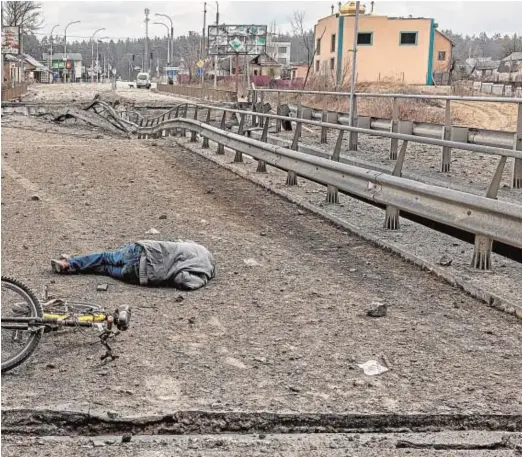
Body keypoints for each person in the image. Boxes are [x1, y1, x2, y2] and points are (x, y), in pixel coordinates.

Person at [51, 240, 216, 290]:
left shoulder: (196, 247)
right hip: (141, 274)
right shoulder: (204, 271)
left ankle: (70, 263)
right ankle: (77, 265)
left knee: (104, 257)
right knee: (106, 270)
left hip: (141, 250)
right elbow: (184, 281)